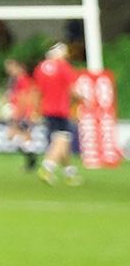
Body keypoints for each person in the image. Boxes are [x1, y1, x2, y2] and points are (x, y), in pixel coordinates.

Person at [33, 42, 82, 186]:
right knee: (61, 140)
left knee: (62, 141)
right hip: (60, 109)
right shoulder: (64, 67)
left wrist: (36, 109)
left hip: (47, 109)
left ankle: (69, 173)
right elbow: (73, 90)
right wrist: (83, 99)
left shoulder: (40, 68)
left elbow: (37, 91)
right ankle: (47, 168)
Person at [1, 56, 41, 172]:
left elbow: (26, 97)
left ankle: (31, 161)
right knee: (20, 136)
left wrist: (20, 113)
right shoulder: (15, 80)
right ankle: (31, 161)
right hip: (21, 112)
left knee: (16, 135)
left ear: (19, 67)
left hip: (23, 113)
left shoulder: (22, 79)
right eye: (8, 67)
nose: (9, 70)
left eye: (11, 67)